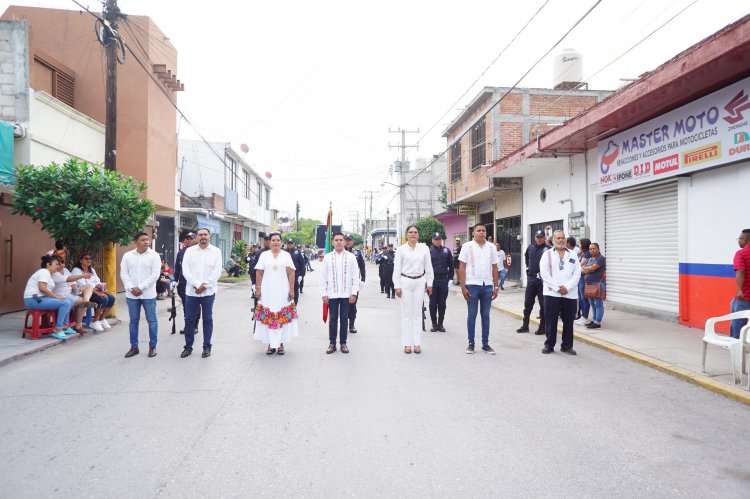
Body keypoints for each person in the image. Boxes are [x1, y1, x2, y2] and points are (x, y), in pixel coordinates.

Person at [181, 227, 223, 358]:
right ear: (197, 237)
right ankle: (188, 347)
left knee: (207, 319)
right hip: (191, 292)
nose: (203, 236)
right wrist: (197, 284)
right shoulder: (189, 251)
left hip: (208, 293)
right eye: (200, 235)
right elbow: (185, 270)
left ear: (209, 236)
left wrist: (205, 285)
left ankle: (207, 347)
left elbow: (217, 271)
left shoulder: (216, 251)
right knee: (189, 320)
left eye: (205, 234)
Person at [253, 233, 299, 355]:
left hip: (282, 290)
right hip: (267, 290)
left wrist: (291, 289)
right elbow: (259, 272)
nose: (275, 242)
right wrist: (258, 288)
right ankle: (270, 344)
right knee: (269, 315)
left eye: (278, 240)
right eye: (273, 240)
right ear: (269, 242)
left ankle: (281, 344)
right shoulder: (264, 255)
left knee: (281, 315)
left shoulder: (286, 255)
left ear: (281, 242)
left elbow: (291, 273)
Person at [458, 223, 499, 354]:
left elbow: (495, 267)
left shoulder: (491, 247)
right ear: (473, 233)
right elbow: (462, 267)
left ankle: (485, 344)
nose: (481, 232)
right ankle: (471, 343)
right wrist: (463, 287)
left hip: (487, 286)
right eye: (479, 230)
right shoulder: (466, 246)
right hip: (472, 285)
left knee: (486, 315)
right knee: (472, 315)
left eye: (484, 230)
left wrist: (496, 286)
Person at [121, 232, 162, 358]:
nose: (146, 242)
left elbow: (155, 275)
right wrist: (131, 287)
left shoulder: (154, 256)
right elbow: (124, 273)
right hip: (132, 294)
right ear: (135, 242)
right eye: (143, 240)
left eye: (147, 240)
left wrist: (141, 287)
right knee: (133, 321)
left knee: (152, 320)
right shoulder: (127, 256)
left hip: (148, 294)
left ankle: (152, 347)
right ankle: (134, 347)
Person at [393, 226, 434, 354]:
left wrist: (430, 283)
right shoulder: (401, 249)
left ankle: (417, 343)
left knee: (417, 314)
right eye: (410, 232)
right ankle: (406, 344)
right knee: (406, 314)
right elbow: (397, 268)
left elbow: (428, 267)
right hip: (405, 282)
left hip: (420, 282)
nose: (413, 234)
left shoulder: (424, 249)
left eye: (415, 232)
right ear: (406, 235)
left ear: (418, 235)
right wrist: (397, 286)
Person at [540, 230, 582, 355]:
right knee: (551, 320)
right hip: (551, 293)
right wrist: (558, 288)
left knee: (569, 321)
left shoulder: (573, 255)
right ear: (553, 240)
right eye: (558, 238)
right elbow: (544, 274)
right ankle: (549, 345)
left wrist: (567, 287)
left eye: (563, 238)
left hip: (570, 294)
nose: (561, 240)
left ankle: (567, 346)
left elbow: (577, 273)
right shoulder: (547, 254)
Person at [320, 232, 360, 354]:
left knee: (344, 319)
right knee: (333, 319)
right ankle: (332, 343)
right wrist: (324, 293)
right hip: (332, 294)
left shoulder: (351, 257)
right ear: (332, 242)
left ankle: (343, 343)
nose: (338, 242)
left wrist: (354, 293)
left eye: (341, 240)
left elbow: (355, 276)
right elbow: (323, 277)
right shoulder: (327, 257)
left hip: (346, 294)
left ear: (344, 242)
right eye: (336, 240)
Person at [24, 255, 76, 339]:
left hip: (41, 299)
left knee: (67, 301)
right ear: (48, 264)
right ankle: (58, 329)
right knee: (66, 303)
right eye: (56, 264)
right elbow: (42, 288)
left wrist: (57, 296)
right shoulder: (44, 272)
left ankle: (64, 326)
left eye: (59, 264)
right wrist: (56, 296)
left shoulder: (49, 274)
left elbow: (46, 290)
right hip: (33, 300)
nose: (58, 266)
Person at [72, 252, 115, 332]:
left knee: (111, 298)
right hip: (84, 294)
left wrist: (100, 286)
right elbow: (84, 285)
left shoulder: (92, 270)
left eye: (90, 259)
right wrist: (97, 291)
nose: (88, 260)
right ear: (81, 260)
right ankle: (94, 321)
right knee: (104, 299)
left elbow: (97, 281)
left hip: (94, 291)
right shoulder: (76, 270)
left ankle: (101, 319)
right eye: (86, 259)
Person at [50, 255, 94, 334]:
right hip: (62, 294)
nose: (60, 265)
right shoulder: (54, 273)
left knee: (89, 286)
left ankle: (86, 301)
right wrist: (83, 275)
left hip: (71, 292)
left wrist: (75, 288)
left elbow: (72, 281)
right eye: (58, 264)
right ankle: (77, 325)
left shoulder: (66, 270)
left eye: (62, 263)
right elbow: (68, 278)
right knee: (82, 302)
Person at [516, 230, 547, 335]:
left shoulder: (548, 249)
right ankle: (525, 326)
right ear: (535, 238)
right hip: (532, 279)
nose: (539, 239)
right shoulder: (530, 247)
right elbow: (526, 257)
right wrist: (528, 268)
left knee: (543, 304)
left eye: (541, 237)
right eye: (537, 237)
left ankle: (542, 327)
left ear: (544, 238)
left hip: (543, 281)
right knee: (528, 303)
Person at [174, 232, 200, 335]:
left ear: (195, 240)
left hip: (195, 284)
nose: (189, 240)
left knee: (196, 306)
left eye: (191, 238)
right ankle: (188, 326)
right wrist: (174, 281)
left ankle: (195, 326)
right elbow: (177, 268)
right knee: (186, 306)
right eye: (187, 238)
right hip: (183, 284)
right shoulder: (181, 252)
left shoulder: (198, 252)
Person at [429, 232, 454, 332]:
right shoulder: (428, 251)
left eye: (439, 239)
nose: (438, 241)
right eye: (436, 239)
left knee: (442, 303)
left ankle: (441, 324)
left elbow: (451, 266)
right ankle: (434, 324)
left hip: (444, 279)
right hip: (432, 280)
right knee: (432, 303)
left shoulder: (446, 251)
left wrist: (451, 279)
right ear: (432, 240)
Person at [730, 229, 750, 339]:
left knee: (738, 321)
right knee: (732, 305)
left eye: (739, 239)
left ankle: (736, 344)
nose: (738, 241)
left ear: (745, 239)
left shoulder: (741, 253)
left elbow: (740, 271)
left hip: (745, 296)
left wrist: (739, 289)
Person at [581, 242, 606, 329]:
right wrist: (586, 269)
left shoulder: (601, 258)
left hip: (597, 284)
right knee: (592, 303)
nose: (592, 250)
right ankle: (594, 320)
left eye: (593, 248)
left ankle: (597, 322)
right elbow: (583, 270)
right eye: (590, 249)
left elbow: (592, 268)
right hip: (589, 284)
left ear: (598, 249)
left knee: (598, 303)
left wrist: (586, 268)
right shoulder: (590, 259)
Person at [344, 234, 366, 334]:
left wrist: (363, 280)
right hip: (342, 283)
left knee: (352, 305)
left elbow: (362, 267)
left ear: (353, 242)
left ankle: (351, 325)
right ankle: (343, 324)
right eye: (346, 240)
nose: (348, 242)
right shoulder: (339, 252)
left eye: (349, 240)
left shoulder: (357, 253)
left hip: (354, 283)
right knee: (343, 305)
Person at [575, 238, 592, 324]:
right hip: (580, 277)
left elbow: (579, 265)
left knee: (584, 298)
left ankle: (585, 316)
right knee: (581, 298)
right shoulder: (583, 253)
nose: (579, 245)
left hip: (583, 278)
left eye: (580, 243)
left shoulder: (587, 254)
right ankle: (582, 316)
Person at [284, 239, 306, 304]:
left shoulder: (298, 252)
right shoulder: (283, 252)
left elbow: (302, 264)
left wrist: (301, 275)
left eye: (291, 243)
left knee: (295, 291)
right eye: (289, 243)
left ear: (294, 244)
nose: (290, 244)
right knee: (285, 291)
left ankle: (294, 307)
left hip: (296, 275)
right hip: (285, 275)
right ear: (286, 244)